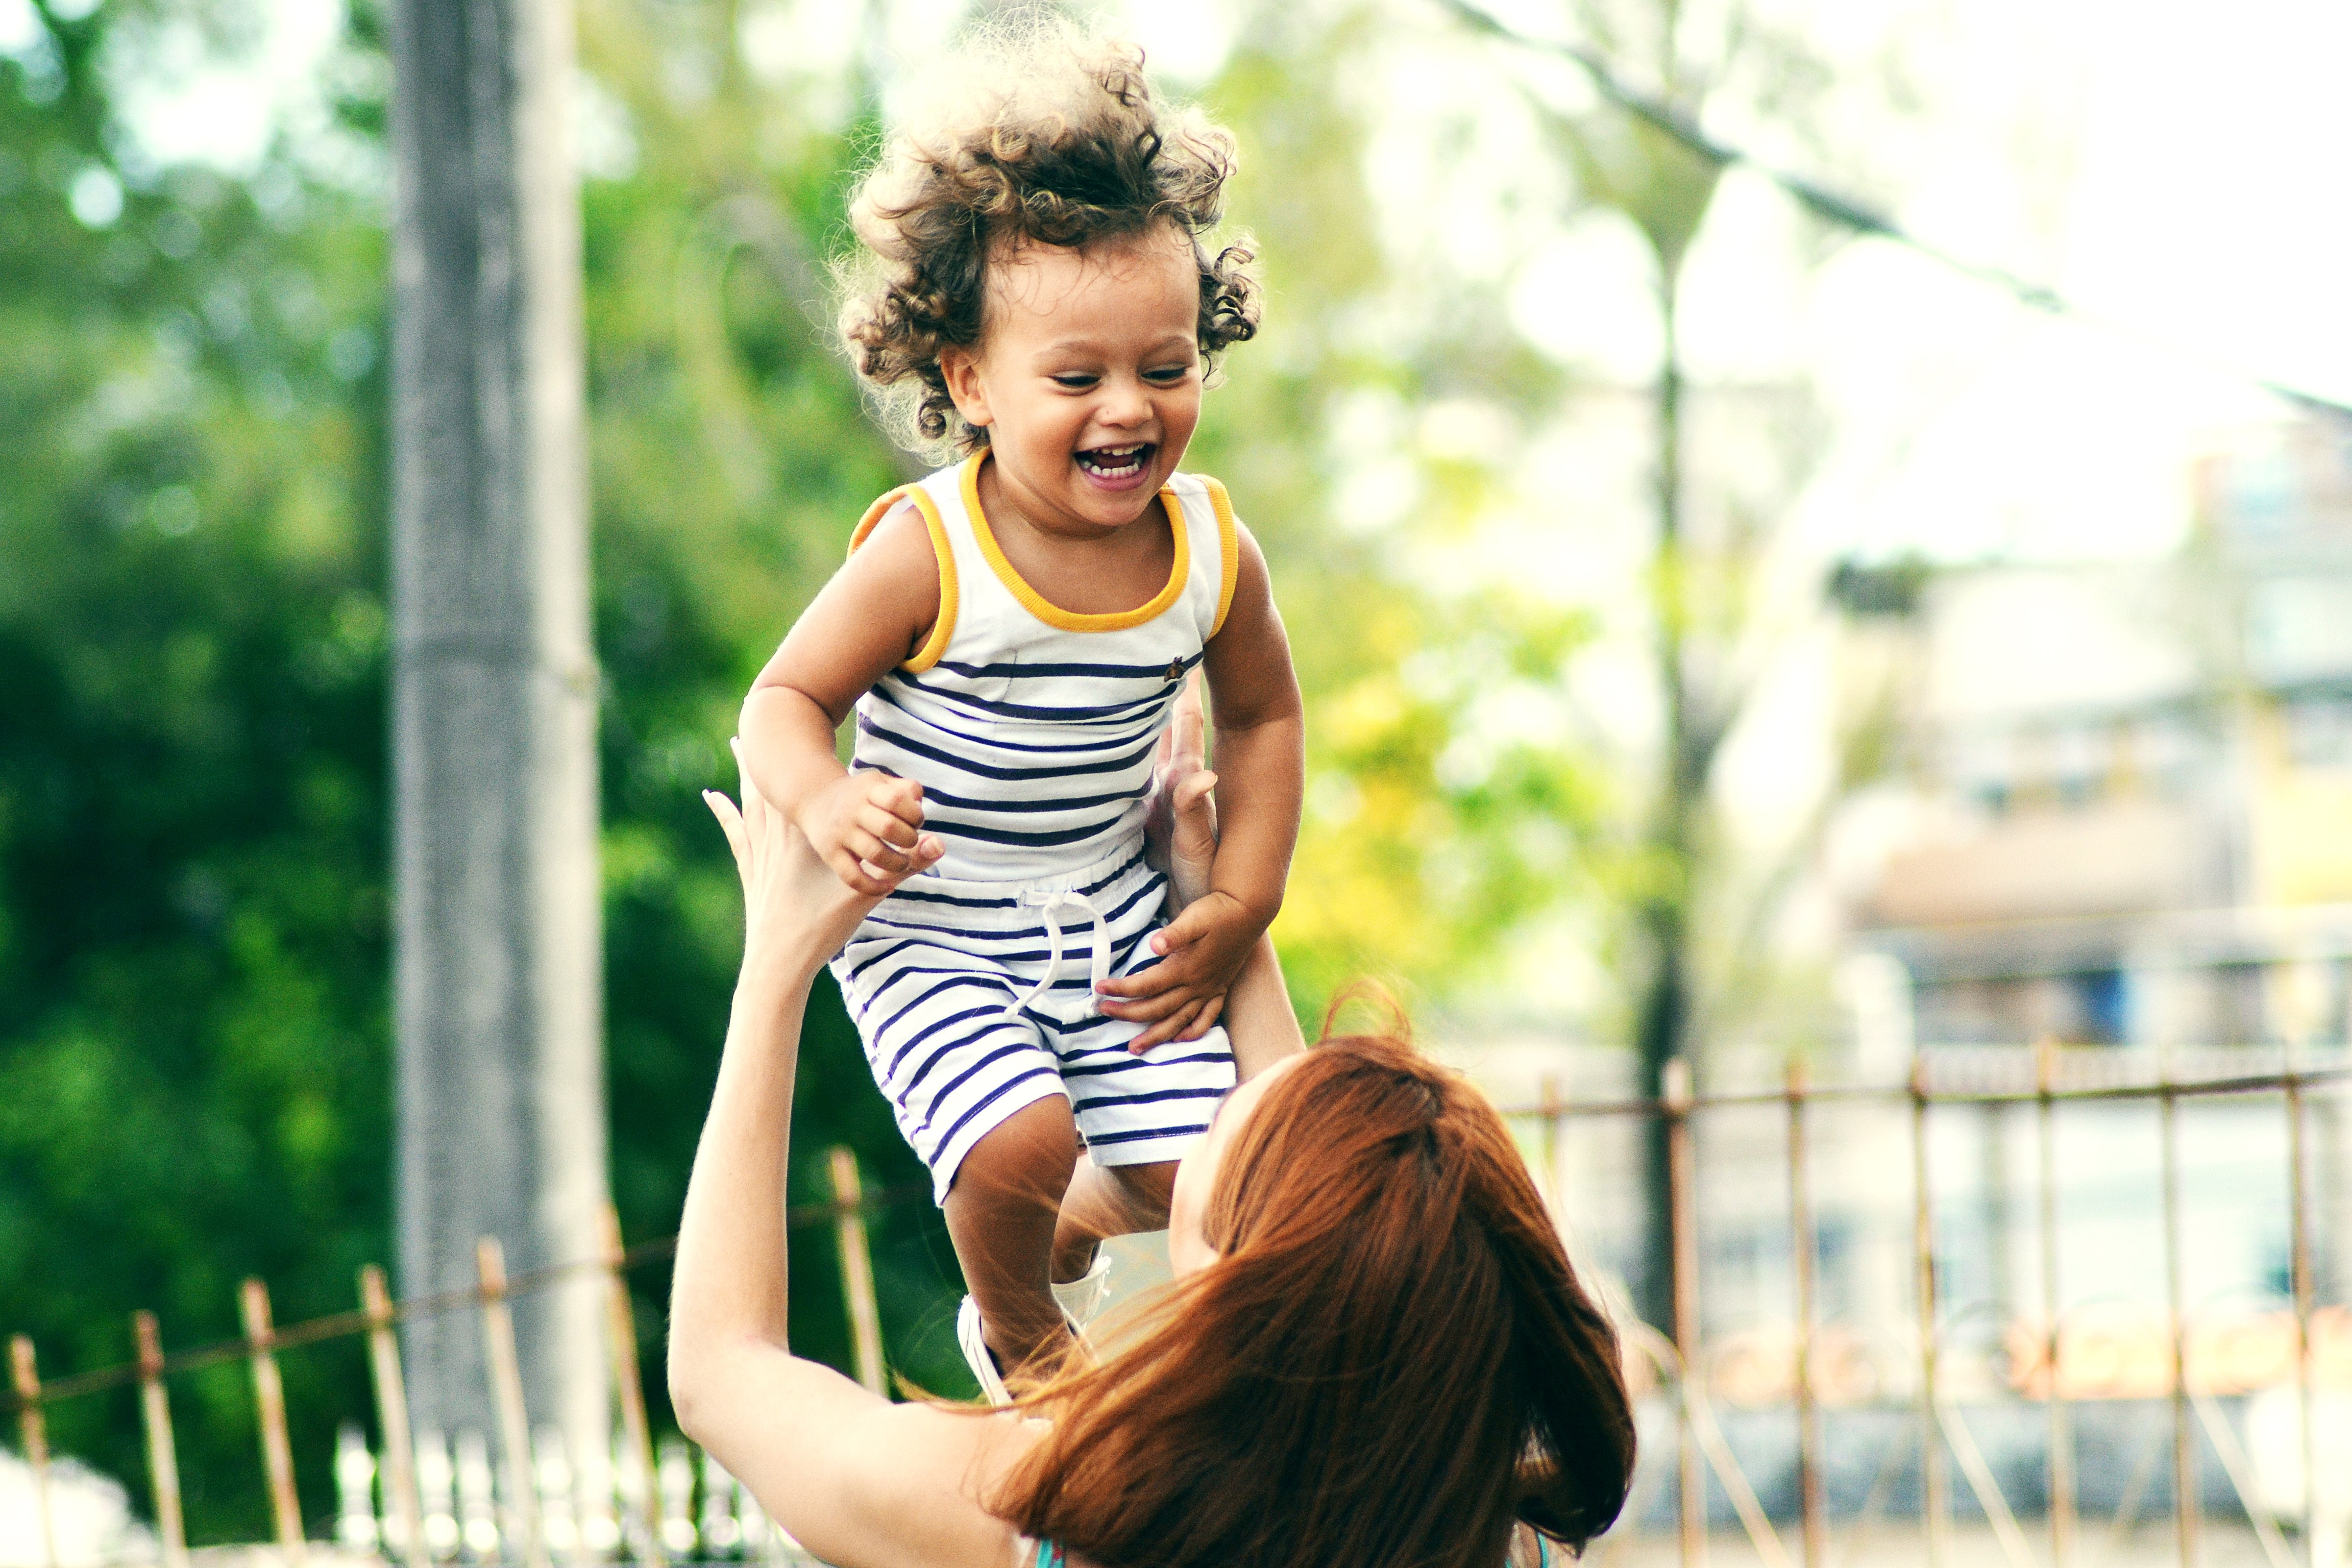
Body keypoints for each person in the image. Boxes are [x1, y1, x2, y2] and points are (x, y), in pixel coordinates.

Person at [670, 749, 1638, 1568]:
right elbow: (1335, 1240)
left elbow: (722, 1372)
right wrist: (1214, 915)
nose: (1204, 1111)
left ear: (1229, 1282)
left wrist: (776, 970)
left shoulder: (1035, 1516)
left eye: (1217, 1129)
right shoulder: (1496, 1532)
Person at [733, 21, 1304, 1393]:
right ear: (971, 383)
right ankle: (1023, 1340)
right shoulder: (931, 553)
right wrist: (829, 800)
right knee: (1014, 1146)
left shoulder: (1212, 550)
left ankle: (1072, 1221)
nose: (1129, 410)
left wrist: (1240, 902)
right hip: (934, 922)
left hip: (1108, 909)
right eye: (1077, 379)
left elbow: (1269, 720)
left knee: (1201, 1177)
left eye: (1165, 369)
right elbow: (781, 700)